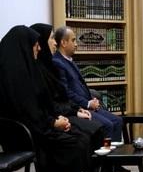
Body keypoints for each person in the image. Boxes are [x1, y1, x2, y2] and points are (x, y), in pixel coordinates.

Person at [0, 26, 94, 172]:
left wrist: (56, 119)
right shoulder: (15, 78)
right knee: (76, 142)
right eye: (35, 44)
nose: (39, 47)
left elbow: (42, 105)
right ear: (24, 47)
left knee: (80, 136)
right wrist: (53, 122)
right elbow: (27, 112)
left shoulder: (28, 70)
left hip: (39, 125)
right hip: (25, 133)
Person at [30, 23, 105, 153]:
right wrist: (58, 119)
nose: (55, 43)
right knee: (87, 135)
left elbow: (61, 97)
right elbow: (51, 103)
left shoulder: (48, 67)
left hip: (64, 112)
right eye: (51, 38)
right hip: (53, 120)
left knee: (99, 127)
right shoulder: (45, 68)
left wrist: (77, 109)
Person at [52, 26, 124, 142]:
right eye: (73, 40)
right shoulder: (57, 63)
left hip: (87, 104)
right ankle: (106, 153)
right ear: (64, 43)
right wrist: (87, 103)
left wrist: (92, 100)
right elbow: (66, 93)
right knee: (108, 125)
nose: (76, 44)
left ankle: (117, 153)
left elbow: (80, 85)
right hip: (77, 108)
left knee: (118, 120)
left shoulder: (69, 60)